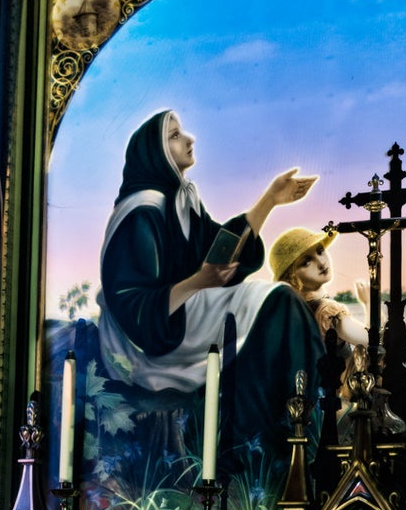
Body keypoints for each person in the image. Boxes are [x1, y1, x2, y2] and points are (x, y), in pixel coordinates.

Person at [97, 110, 324, 453]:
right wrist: (197, 282)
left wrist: (270, 200)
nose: (190, 139)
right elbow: (134, 305)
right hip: (156, 337)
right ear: (155, 154)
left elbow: (220, 249)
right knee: (279, 302)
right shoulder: (142, 212)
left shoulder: (180, 200)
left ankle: (304, 427)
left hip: (188, 311)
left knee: (280, 300)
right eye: (175, 136)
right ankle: (265, 442)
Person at [270, 226, 369, 348]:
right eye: (306, 262)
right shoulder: (327, 311)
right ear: (291, 276)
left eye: (320, 251)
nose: (321, 263)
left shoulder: (294, 310)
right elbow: (375, 344)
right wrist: (369, 303)